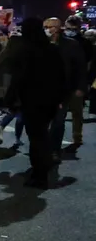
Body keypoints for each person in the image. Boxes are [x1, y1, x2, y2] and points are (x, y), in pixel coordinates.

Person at [3, 18, 66, 188]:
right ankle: (43, 166)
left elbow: (17, 78)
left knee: (36, 137)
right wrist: (60, 98)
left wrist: (9, 99)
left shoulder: (24, 51)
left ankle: (40, 174)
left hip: (31, 100)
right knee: (42, 134)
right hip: (50, 101)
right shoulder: (52, 49)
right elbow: (61, 76)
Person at [44, 17, 87, 162]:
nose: (48, 29)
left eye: (51, 26)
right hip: (43, 89)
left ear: (59, 27)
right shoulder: (40, 44)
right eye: (46, 26)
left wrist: (81, 87)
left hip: (63, 90)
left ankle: (54, 150)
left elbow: (80, 67)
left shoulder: (71, 45)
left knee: (58, 121)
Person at [62, 16, 91, 146]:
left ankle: (77, 137)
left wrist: (83, 85)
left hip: (75, 83)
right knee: (61, 115)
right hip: (63, 83)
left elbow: (88, 64)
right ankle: (58, 139)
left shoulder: (84, 43)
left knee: (76, 113)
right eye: (68, 28)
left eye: (72, 28)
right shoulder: (59, 41)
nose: (70, 31)